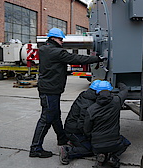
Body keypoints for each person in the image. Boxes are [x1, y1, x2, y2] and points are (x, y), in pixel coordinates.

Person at [29, 28, 103, 158]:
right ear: (53, 38)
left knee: (55, 115)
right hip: (50, 90)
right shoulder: (56, 52)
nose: (62, 42)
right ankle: (35, 148)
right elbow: (76, 58)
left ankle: (62, 139)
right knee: (46, 118)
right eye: (60, 39)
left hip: (49, 89)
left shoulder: (45, 49)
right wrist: (97, 59)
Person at [83, 80, 131, 168]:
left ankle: (100, 156)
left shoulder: (91, 109)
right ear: (110, 92)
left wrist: (91, 138)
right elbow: (125, 90)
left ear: (97, 93)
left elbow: (86, 129)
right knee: (126, 142)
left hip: (96, 145)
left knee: (101, 146)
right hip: (114, 143)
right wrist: (119, 83)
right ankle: (113, 157)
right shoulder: (116, 101)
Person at [59, 80, 101, 165]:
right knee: (91, 149)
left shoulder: (86, 96)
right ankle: (68, 151)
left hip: (73, 127)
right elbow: (83, 124)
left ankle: (73, 142)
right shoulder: (88, 104)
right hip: (74, 131)